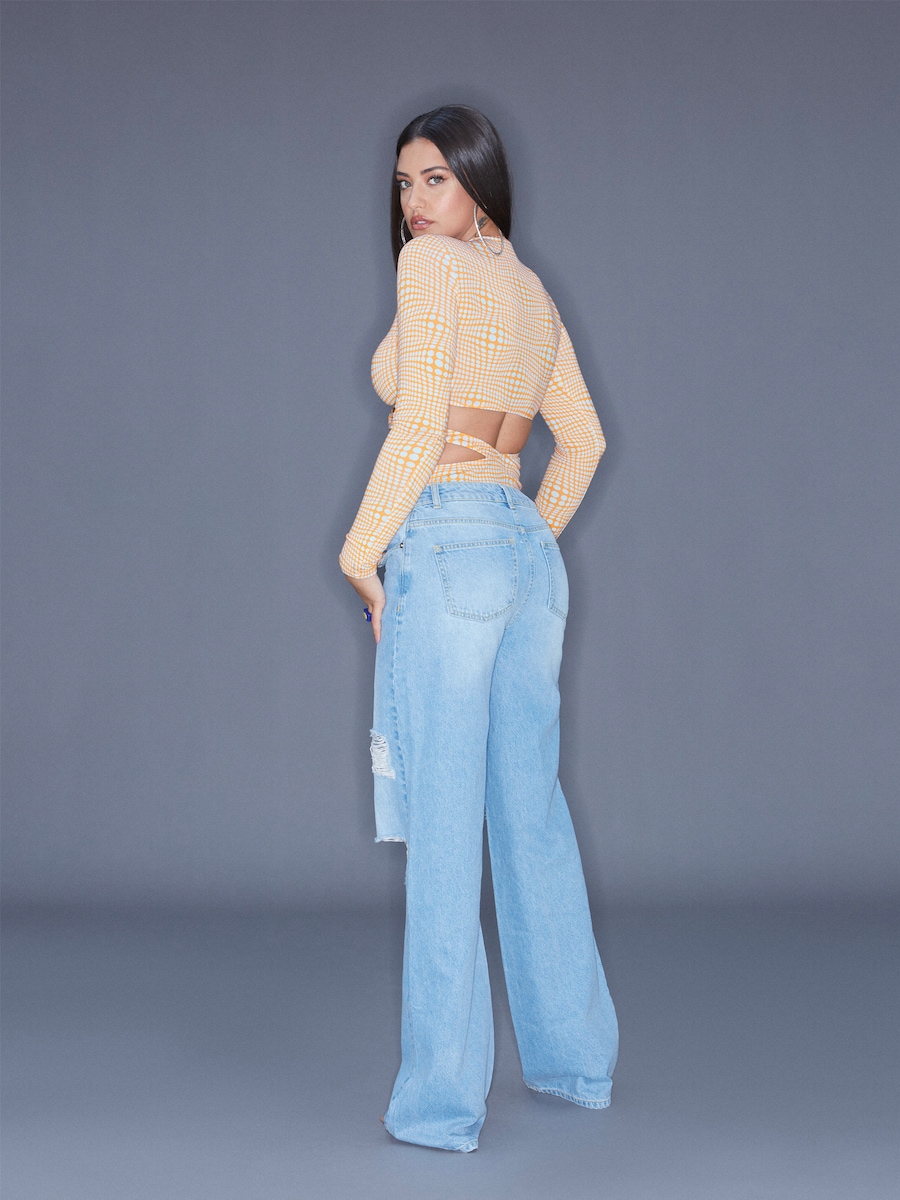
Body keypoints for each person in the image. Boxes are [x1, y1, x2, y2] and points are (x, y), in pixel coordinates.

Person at [340, 105, 617, 1153]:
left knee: (449, 826)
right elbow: (582, 444)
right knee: (531, 814)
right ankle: (576, 1062)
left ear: (478, 182)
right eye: (404, 184)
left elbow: (418, 422)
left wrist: (359, 551)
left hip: (447, 536)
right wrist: (519, 539)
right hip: (522, 552)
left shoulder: (433, 270)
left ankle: (441, 1107)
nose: (416, 203)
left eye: (436, 180)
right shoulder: (533, 292)